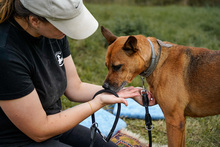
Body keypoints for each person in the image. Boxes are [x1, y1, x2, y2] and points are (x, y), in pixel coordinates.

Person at [0, 0, 156, 146]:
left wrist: (120, 93)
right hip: (18, 137)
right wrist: (97, 103)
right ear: (35, 20)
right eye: (64, 25)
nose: (67, 31)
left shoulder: (53, 32)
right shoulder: (7, 53)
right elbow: (39, 131)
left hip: (54, 122)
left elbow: (75, 88)